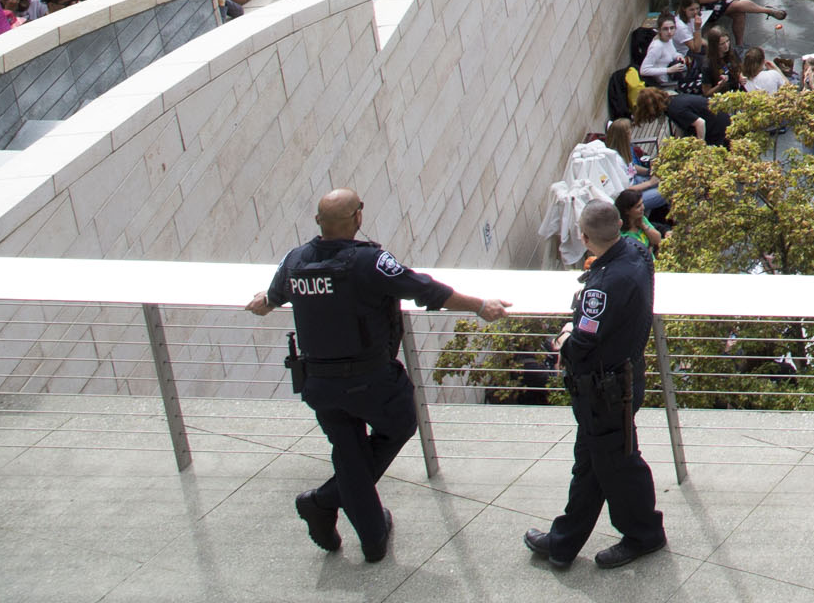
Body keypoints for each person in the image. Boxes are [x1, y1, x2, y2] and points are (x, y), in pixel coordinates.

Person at [246, 187, 511, 562]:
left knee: (350, 453)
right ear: (359, 217)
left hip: (319, 383)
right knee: (400, 425)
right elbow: (424, 289)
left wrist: (265, 301)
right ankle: (323, 500)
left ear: (318, 222)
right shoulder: (368, 262)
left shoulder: (296, 260)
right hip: (371, 380)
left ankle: (371, 538)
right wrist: (479, 305)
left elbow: (273, 296)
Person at [525, 197, 669, 570]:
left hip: (604, 390)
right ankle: (564, 542)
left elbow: (584, 343)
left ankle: (644, 533)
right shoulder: (638, 253)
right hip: (624, 376)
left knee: (619, 464)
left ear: (585, 237)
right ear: (620, 226)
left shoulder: (601, 287)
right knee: (593, 463)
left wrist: (564, 340)